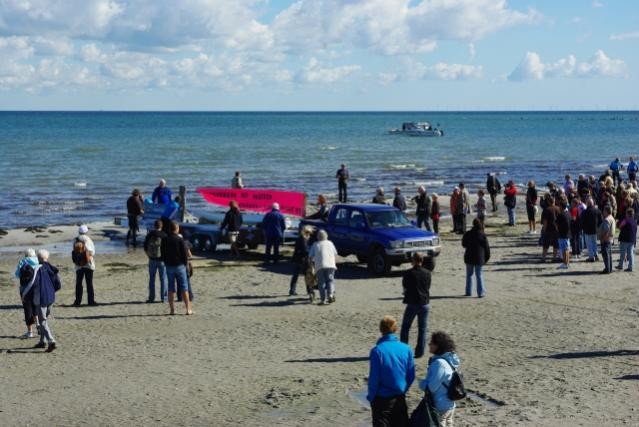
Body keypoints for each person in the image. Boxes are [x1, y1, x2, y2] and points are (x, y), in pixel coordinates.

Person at [367, 315, 415, 427]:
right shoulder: (406, 348)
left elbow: (374, 378)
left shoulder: (377, 351)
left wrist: (371, 397)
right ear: (395, 329)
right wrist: (403, 388)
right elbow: (411, 375)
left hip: (382, 399)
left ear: (381, 329)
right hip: (399, 397)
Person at [418, 332, 461, 426]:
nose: (429, 345)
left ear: (438, 346)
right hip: (449, 404)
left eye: (432, 343)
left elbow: (431, 387)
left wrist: (421, 383)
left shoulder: (439, 364)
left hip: (441, 406)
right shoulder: (449, 360)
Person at [27, 249, 61, 352]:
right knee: (44, 319)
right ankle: (42, 341)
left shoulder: (37, 269)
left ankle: (51, 341)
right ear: (47, 258)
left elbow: (32, 284)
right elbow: (58, 285)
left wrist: (24, 295)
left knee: (42, 321)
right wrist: (51, 291)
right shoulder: (52, 268)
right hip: (51, 298)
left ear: (38, 258)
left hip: (41, 299)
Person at [400, 253, 431, 359]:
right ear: (421, 260)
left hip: (412, 303)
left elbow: (405, 286)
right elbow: (428, 286)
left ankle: (404, 350)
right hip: (424, 303)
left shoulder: (408, 273)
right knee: (422, 328)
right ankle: (420, 352)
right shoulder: (427, 273)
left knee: (405, 327)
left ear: (413, 260)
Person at [161, 221, 193, 315]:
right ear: (177, 229)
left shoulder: (165, 239)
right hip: (179, 266)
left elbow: (162, 253)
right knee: (184, 287)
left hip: (169, 266)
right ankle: (188, 309)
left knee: (171, 288)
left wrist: (166, 261)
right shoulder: (180, 240)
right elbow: (184, 253)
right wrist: (185, 263)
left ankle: (172, 310)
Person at [308, 230, 338, 305]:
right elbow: (335, 255)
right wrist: (335, 264)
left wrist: (311, 267)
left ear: (318, 237)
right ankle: (330, 295)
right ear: (326, 236)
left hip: (320, 266)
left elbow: (310, 257)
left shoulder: (315, 244)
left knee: (321, 283)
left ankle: (323, 300)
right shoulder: (330, 243)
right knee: (330, 280)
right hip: (331, 265)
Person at [462, 218, 490, 297]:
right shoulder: (482, 234)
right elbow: (487, 248)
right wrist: (486, 258)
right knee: (479, 275)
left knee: (469, 275)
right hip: (479, 258)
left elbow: (463, 244)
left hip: (469, 257)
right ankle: (480, 293)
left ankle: (468, 292)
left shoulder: (468, 233)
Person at [15, 249, 39, 339]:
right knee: (36, 305)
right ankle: (38, 323)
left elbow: (17, 275)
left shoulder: (22, 262)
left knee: (27, 309)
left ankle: (30, 332)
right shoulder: (38, 261)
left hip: (25, 289)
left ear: (26, 255)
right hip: (36, 288)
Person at [144, 219, 167, 303]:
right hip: (162, 260)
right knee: (163, 279)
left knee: (152, 279)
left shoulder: (150, 234)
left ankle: (151, 297)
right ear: (161, 226)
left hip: (152, 259)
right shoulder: (164, 235)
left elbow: (145, 247)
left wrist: (149, 256)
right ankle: (163, 298)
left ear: (154, 226)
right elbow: (167, 249)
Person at [72, 225, 96, 306]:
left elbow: (74, 251)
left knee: (79, 283)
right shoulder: (88, 239)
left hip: (78, 264)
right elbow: (92, 252)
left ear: (79, 231)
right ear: (86, 231)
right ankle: (90, 301)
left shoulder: (75, 240)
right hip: (88, 264)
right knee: (89, 283)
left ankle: (77, 301)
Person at [289, 226, 312, 297]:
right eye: (309, 232)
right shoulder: (303, 239)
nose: (309, 234)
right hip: (302, 260)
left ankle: (292, 290)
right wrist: (311, 252)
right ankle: (308, 290)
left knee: (296, 275)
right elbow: (305, 250)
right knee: (306, 275)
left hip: (298, 259)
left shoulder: (301, 238)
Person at [581, 198, 602, 262]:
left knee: (589, 244)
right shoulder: (597, 210)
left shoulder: (584, 212)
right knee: (594, 243)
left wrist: (583, 228)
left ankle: (591, 257)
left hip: (587, 230)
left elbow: (582, 221)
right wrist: (598, 226)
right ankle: (596, 255)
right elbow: (600, 220)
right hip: (595, 229)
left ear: (587, 203)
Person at [541, 196, 560, 262]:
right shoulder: (558, 209)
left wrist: (544, 230)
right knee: (555, 245)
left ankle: (543, 258)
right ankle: (554, 258)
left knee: (546, 245)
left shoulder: (546, 209)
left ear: (549, 202)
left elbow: (545, 221)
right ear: (554, 201)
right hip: (557, 229)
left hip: (548, 229)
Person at [598, 205, 615, 274]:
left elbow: (606, 231)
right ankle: (609, 268)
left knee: (605, 255)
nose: (603, 212)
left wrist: (602, 239)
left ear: (606, 211)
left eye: (604, 210)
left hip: (606, 240)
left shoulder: (607, 219)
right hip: (610, 239)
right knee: (609, 255)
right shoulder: (612, 218)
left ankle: (607, 269)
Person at [556, 198, 572, 270]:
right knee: (567, 249)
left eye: (559, 206)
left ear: (561, 207)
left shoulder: (561, 215)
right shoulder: (568, 213)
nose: (559, 207)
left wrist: (558, 229)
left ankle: (565, 263)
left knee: (564, 250)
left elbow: (556, 224)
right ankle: (567, 262)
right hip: (567, 233)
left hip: (562, 234)